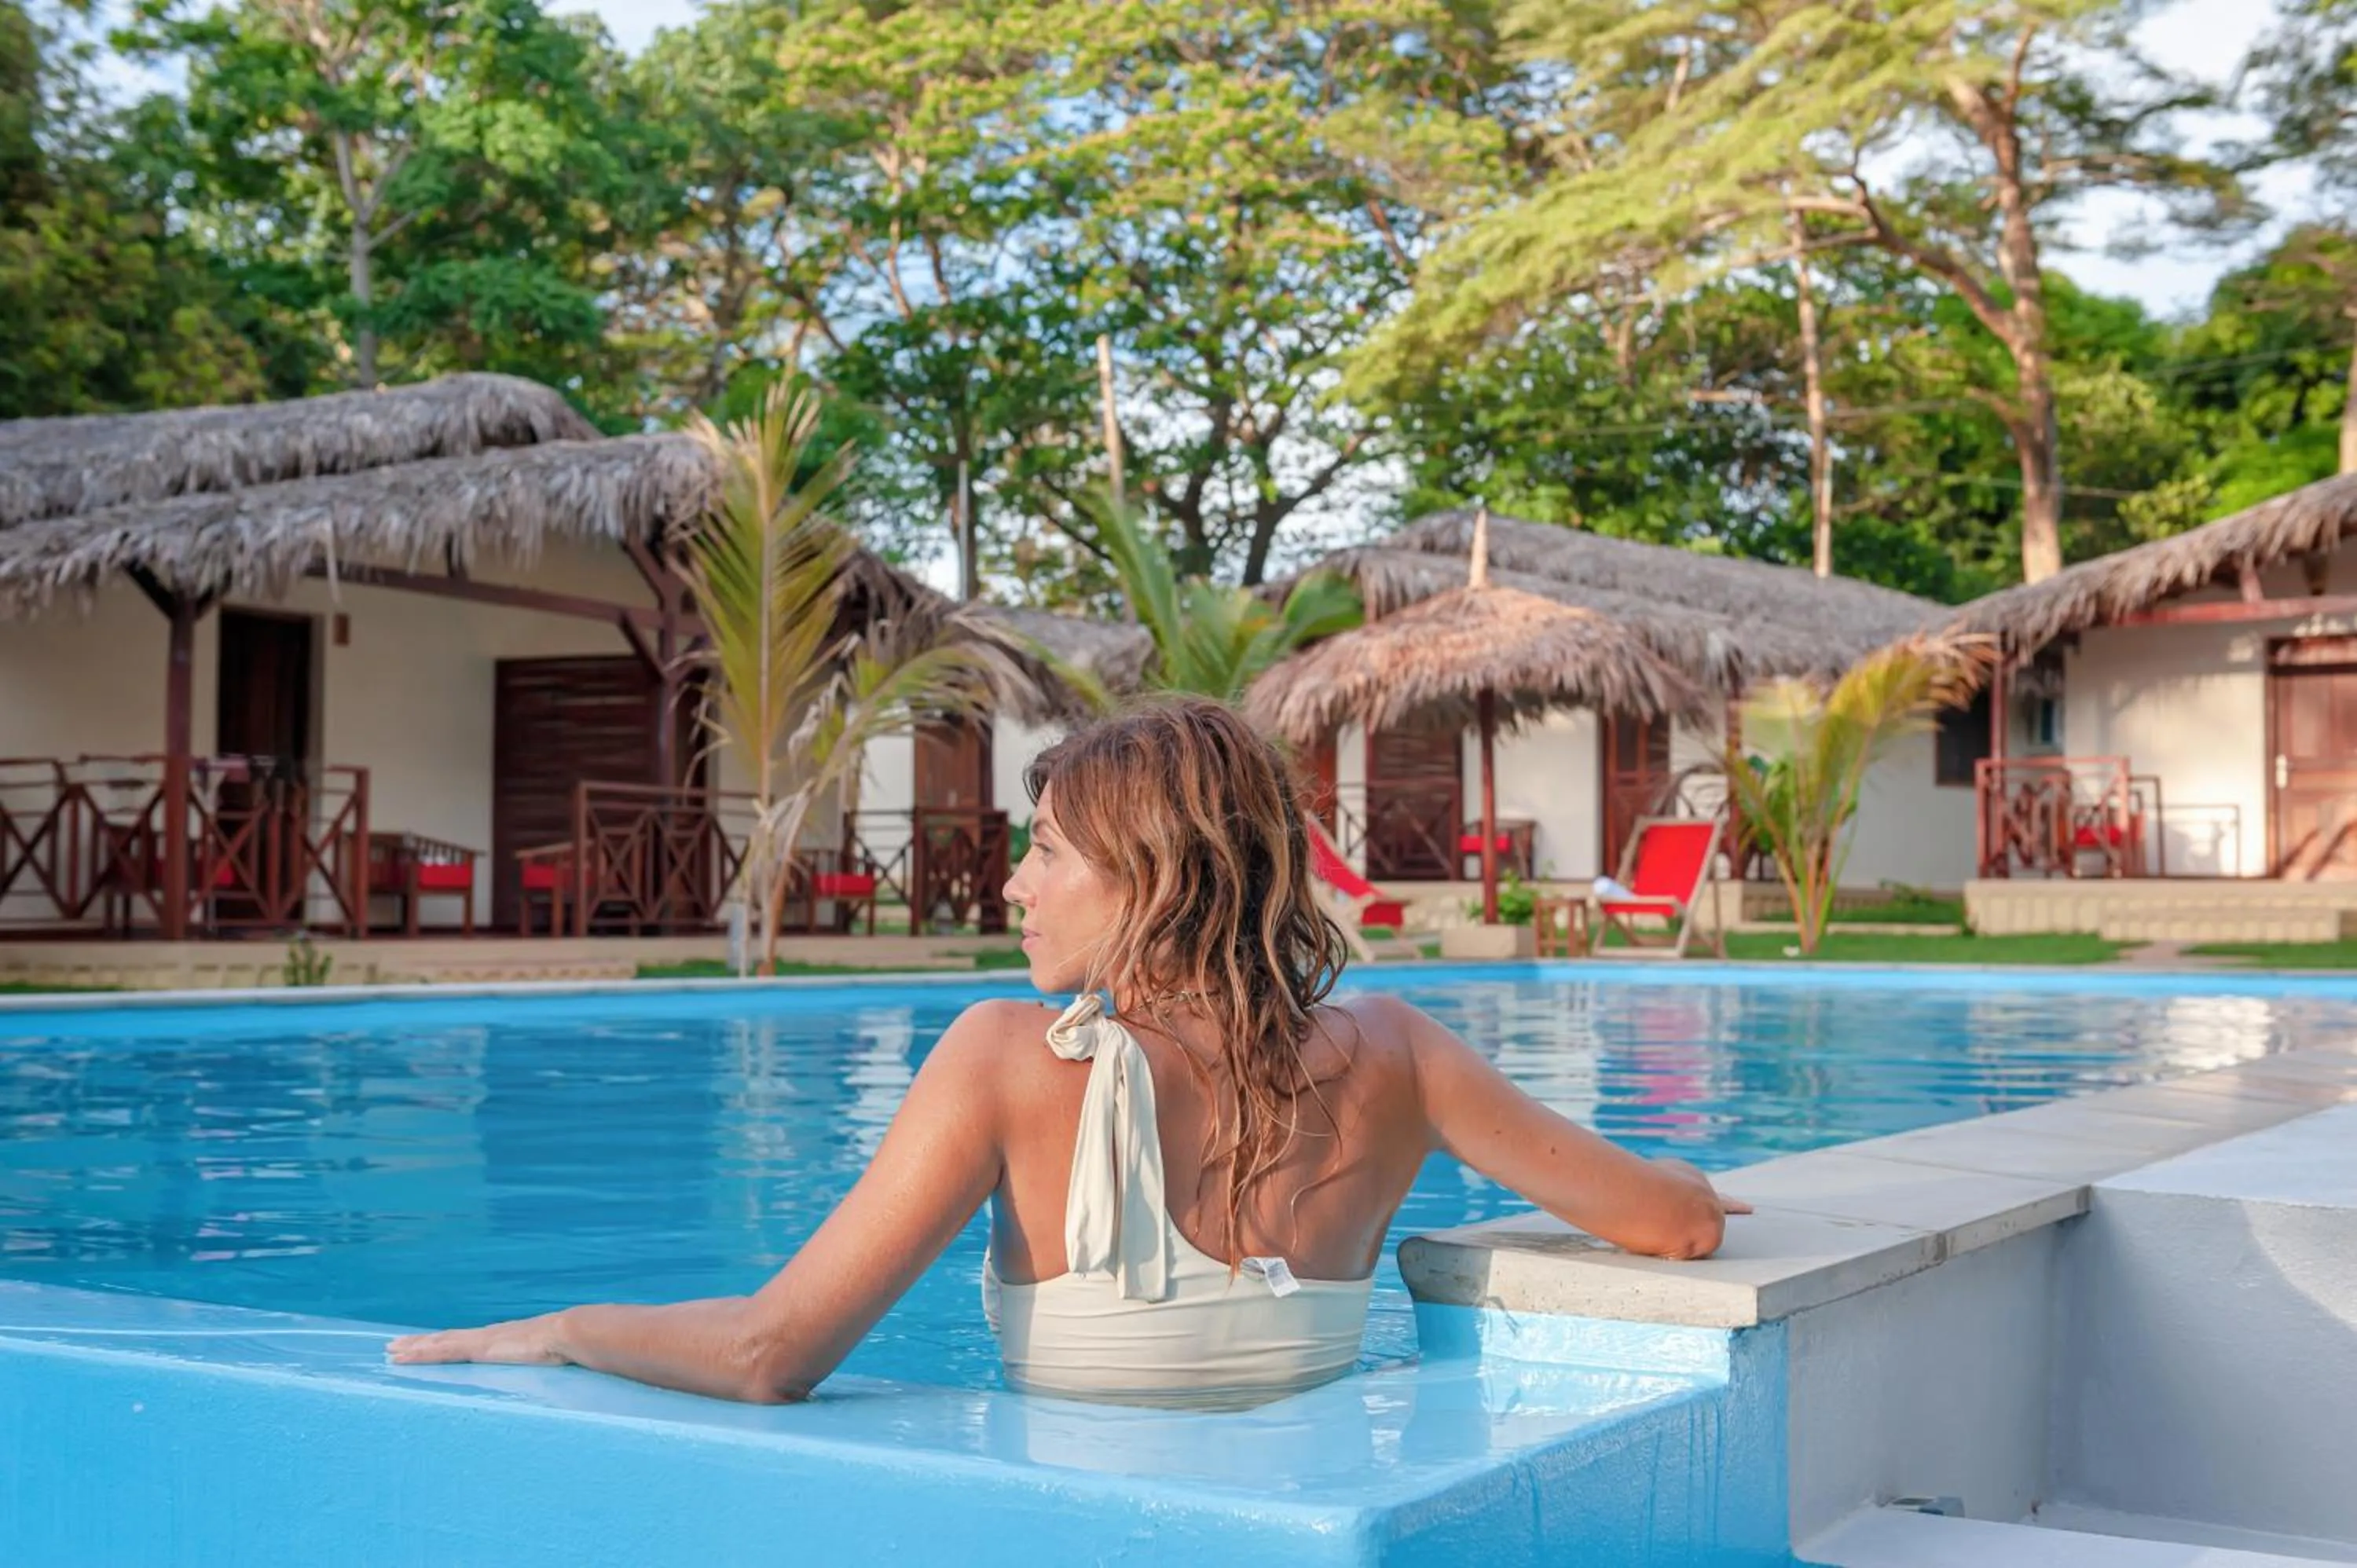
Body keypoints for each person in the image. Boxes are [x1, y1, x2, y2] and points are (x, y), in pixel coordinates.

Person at [388, 698, 1748, 1408]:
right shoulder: (1399, 1052)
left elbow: (768, 1353)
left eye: (1041, 851)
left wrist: (561, 1328)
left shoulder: (1001, 1059)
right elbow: (1674, 1231)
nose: (1012, 888)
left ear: (1149, 875)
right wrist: (1681, 1178)